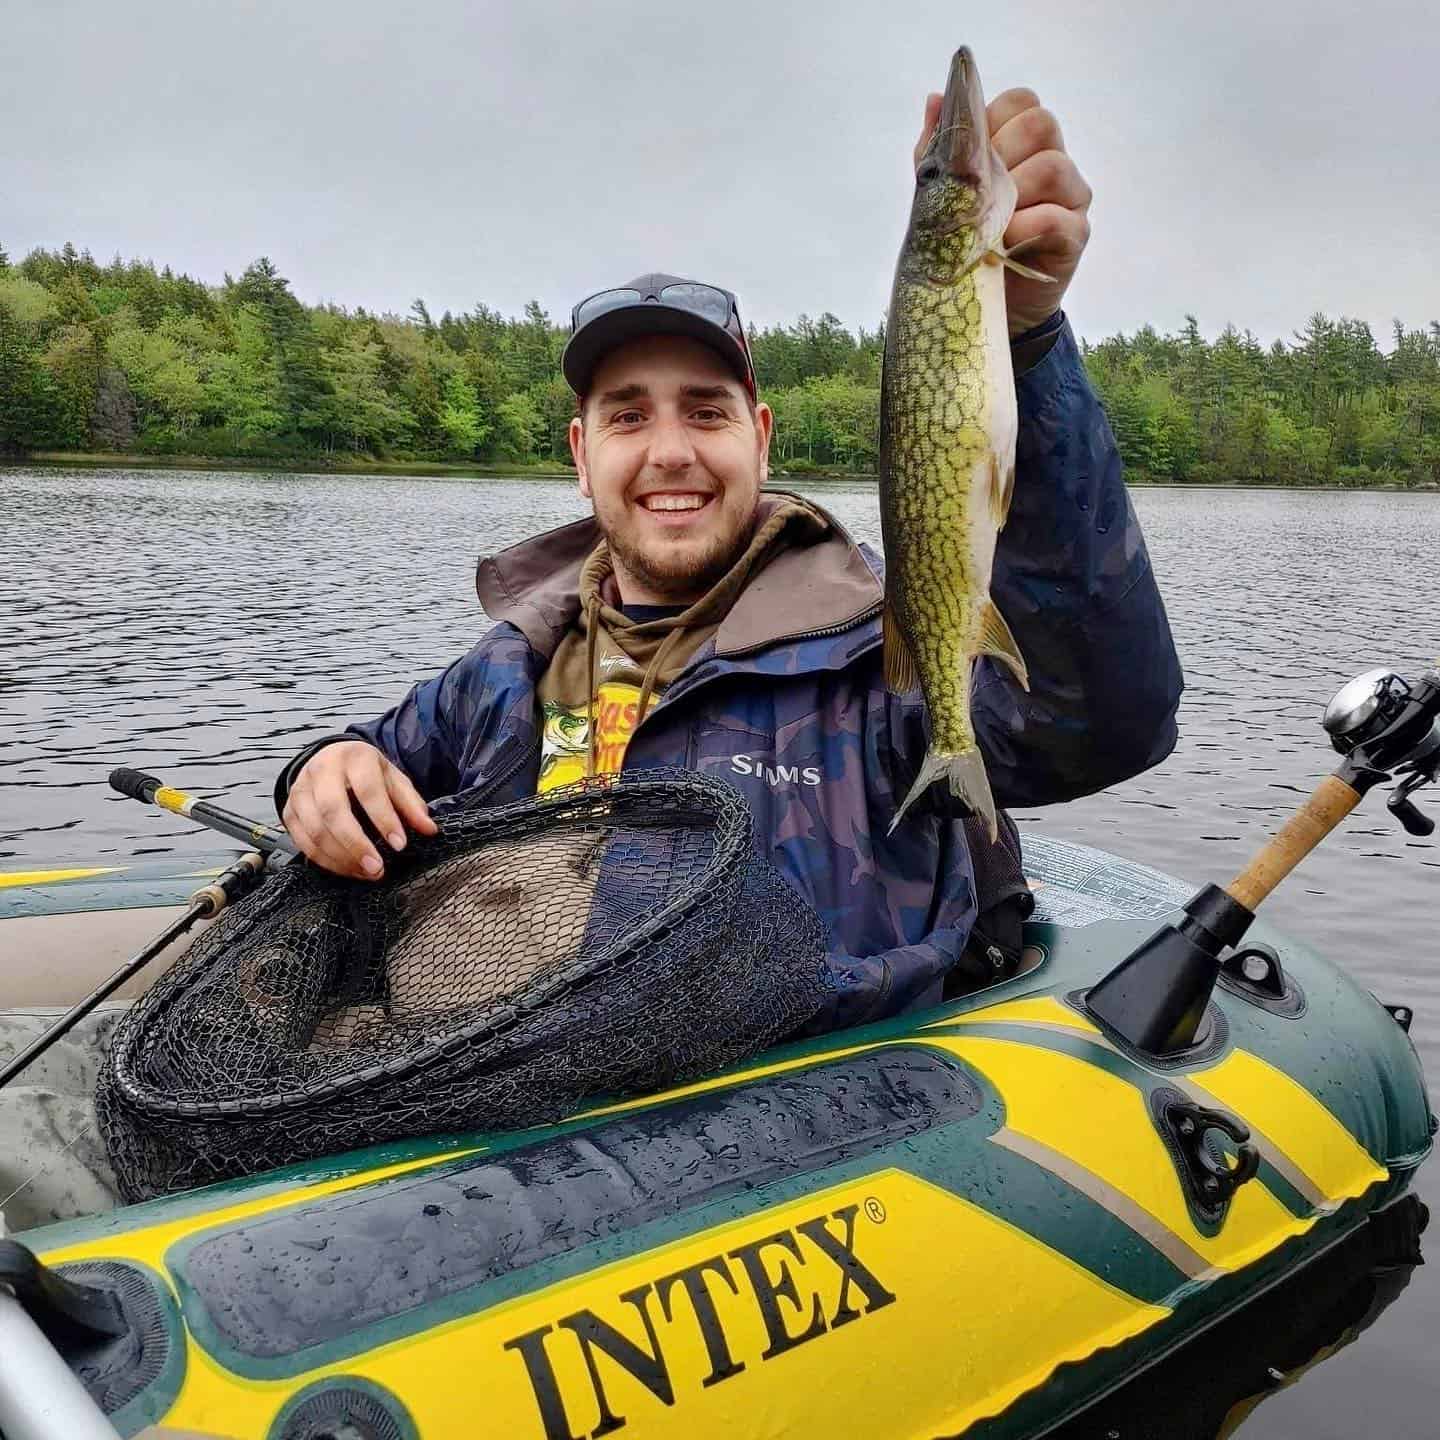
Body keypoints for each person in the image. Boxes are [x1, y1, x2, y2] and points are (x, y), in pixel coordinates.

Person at [276, 85, 1183, 1035]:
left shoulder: (879, 654)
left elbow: (1102, 719)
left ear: (759, 438)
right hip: (500, 1115)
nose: (670, 451)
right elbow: (374, 758)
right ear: (583, 457)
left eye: (706, 412)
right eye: (628, 416)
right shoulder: (506, 668)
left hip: (780, 1135)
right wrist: (323, 769)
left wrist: (1024, 342)